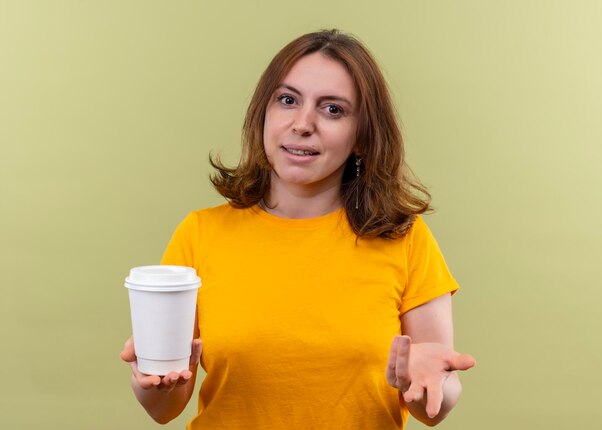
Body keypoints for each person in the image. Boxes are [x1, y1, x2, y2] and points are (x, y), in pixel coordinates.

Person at [120, 29, 475, 429]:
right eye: (287, 100)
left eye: (333, 110)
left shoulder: (404, 238)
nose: (302, 124)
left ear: (361, 137)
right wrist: (152, 382)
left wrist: (433, 383)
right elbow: (164, 409)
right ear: (263, 113)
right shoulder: (200, 233)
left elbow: (436, 404)